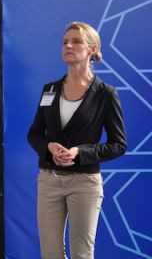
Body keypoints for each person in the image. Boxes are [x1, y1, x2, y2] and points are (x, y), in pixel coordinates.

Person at [27, 21, 127, 259]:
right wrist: (48, 147)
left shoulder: (106, 94)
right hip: (49, 181)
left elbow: (119, 144)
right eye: (64, 42)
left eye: (76, 41)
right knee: (50, 254)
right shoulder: (49, 89)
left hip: (85, 183)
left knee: (82, 254)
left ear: (92, 49)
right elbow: (34, 134)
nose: (68, 46)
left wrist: (80, 153)